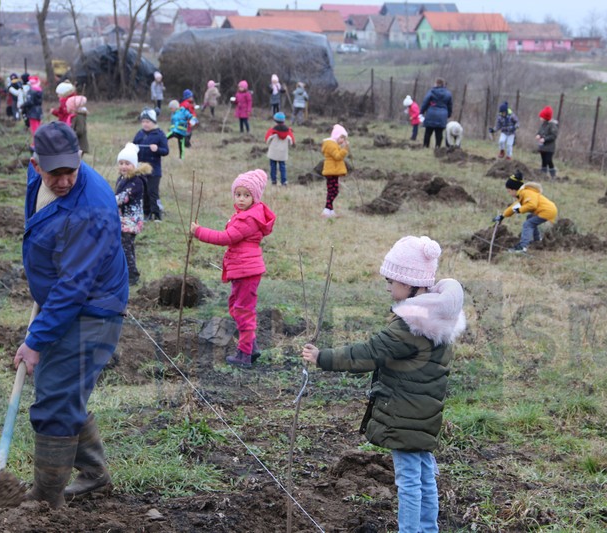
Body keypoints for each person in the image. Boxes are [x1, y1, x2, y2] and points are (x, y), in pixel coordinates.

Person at [301, 236, 466, 533]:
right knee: (424, 474)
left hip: (404, 415)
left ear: (411, 282)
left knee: (409, 480)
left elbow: (368, 353)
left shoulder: (411, 324)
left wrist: (322, 357)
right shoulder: (437, 314)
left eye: (392, 281)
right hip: (423, 412)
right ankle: (428, 529)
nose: (389, 288)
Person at [13, 121, 128, 509]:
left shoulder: (91, 208)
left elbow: (74, 287)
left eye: (70, 171)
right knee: (59, 390)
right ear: (36, 164)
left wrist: (35, 340)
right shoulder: (39, 177)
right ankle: (94, 474)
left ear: (80, 160)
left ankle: (46, 500)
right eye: (54, 173)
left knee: (55, 400)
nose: (63, 181)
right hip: (68, 304)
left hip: (92, 309)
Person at [191, 169, 276, 368]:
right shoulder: (245, 214)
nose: (241, 199)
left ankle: (244, 355)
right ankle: (251, 347)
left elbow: (225, 238)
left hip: (246, 271)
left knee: (243, 311)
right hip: (243, 270)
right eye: (238, 194)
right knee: (236, 307)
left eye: (246, 195)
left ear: (254, 197)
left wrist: (199, 232)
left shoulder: (248, 219)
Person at [493, 171, 557, 253]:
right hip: (547, 210)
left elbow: (532, 205)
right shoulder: (522, 195)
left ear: (514, 189)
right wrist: (502, 216)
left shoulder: (526, 193)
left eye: (509, 191)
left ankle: (522, 247)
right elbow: (513, 207)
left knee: (528, 224)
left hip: (547, 211)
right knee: (530, 218)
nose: (509, 193)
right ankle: (537, 240)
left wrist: (520, 210)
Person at [115, 142, 149, 286]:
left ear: (134, 165)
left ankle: (132, 275)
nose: (123, 166)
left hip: (131, 221)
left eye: (127, 163)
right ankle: (124, 271)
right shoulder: (122, 179)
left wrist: (107, 200)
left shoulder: (136, 182)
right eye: (121, 163)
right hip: (123, 220)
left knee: (126, 248)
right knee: (125, 246)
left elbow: (124, 197)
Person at [133, 108, 169, 221]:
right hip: (141, 168)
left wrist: (157, 149)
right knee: (143, 192)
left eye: (147, 122)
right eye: (143, 122)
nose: (145, 124)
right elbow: (133, 146)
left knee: (152, 192)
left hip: (154, 170)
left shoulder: (160, 134)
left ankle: (157, 215)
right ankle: (146, 213)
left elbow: (165, 151)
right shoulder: (139, 134)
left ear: (153, 122)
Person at [320, 124, 349, 218]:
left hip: (333, 170)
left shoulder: (333, 144)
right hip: (331, 171)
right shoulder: (331, 145)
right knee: (334, 191)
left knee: (332, 190)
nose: (343, 141)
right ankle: (326, 210)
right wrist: (345, 149)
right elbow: (337, 156)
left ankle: (330, 211)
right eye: (342, 138)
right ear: (336, 136)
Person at [419, 78, 453, 149]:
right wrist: (449, 114)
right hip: (442, 115)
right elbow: (450, 106)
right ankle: (437, 147)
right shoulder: (448, 93)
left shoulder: (431, 92)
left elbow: (425, 102)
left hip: (431, 114)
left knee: (428, 132)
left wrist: (421, 112)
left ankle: (426, 146)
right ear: (443, 84)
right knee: (439, 133)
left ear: (436, 84)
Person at [265, 112, 295, 186]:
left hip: (273, 152)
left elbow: (267, 140)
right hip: (283, 153)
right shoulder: (288, 131)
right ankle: (284, 181)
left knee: (273, 167)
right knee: (282, 167)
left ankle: (273, 181)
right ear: (283, 121)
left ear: (275, 121)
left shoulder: (272, 130)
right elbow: (292, 141)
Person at [535, 105, 559, 179]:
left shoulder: (552, 125)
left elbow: (553, 136)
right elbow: (540, 131)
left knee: (548, 160)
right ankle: (543, 174)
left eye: (541, 117)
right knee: (543, 160)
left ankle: (553, 174)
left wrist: (545, 139)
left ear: (546, 117)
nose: (540, 118)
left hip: (549, 148)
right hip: (543, 147)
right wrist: (538, 135)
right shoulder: (543, 124)